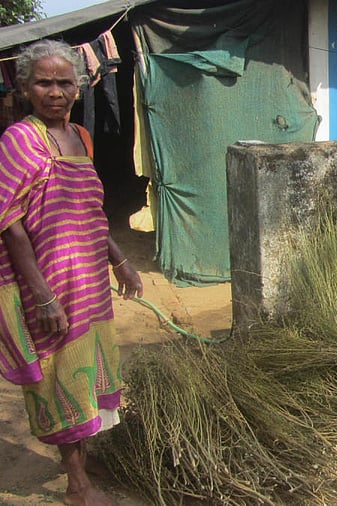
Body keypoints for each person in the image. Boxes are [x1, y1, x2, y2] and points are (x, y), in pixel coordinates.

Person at [0, 39, 143, 506]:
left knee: (86, 371)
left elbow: (90, 209)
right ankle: (76, 484)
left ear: (79, 87)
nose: (55, 91)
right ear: (24, 87)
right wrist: (40, 295)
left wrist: (119, 259)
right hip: (49, 281)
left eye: (65, 82)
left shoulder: (80, 137)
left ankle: (81, 455)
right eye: (44, 82)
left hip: (88, 281)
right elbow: (10, 224)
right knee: (57, 375)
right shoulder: (19, 139)